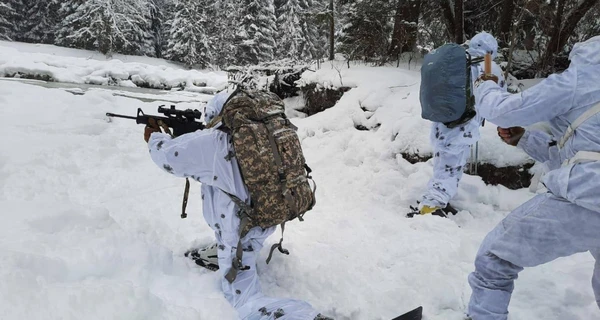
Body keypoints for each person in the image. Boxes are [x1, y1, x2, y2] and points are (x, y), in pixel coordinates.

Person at [144, 90, 331, 320]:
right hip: (265, 216)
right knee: (245, 242)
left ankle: (306, 317)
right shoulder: (262, 132)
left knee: (244, 301)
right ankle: (236, 253)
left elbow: (168, 157)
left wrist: (154, 136)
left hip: (238, 231)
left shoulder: (214, 143)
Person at [466, 35, 600, 320]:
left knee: (495, 259)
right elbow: (585, 152)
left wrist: (486, 81)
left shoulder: (584, 75)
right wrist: (525, 139)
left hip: (591, 198)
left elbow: (499, 109)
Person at [413, 32, 507, 217]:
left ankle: (437, 198)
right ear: (492, 49)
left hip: (443, 122)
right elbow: (497, 98)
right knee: (451, 165)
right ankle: (432, 204)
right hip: (463, 126)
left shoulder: (462, 58)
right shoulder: (487, 63)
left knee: (443, 163)